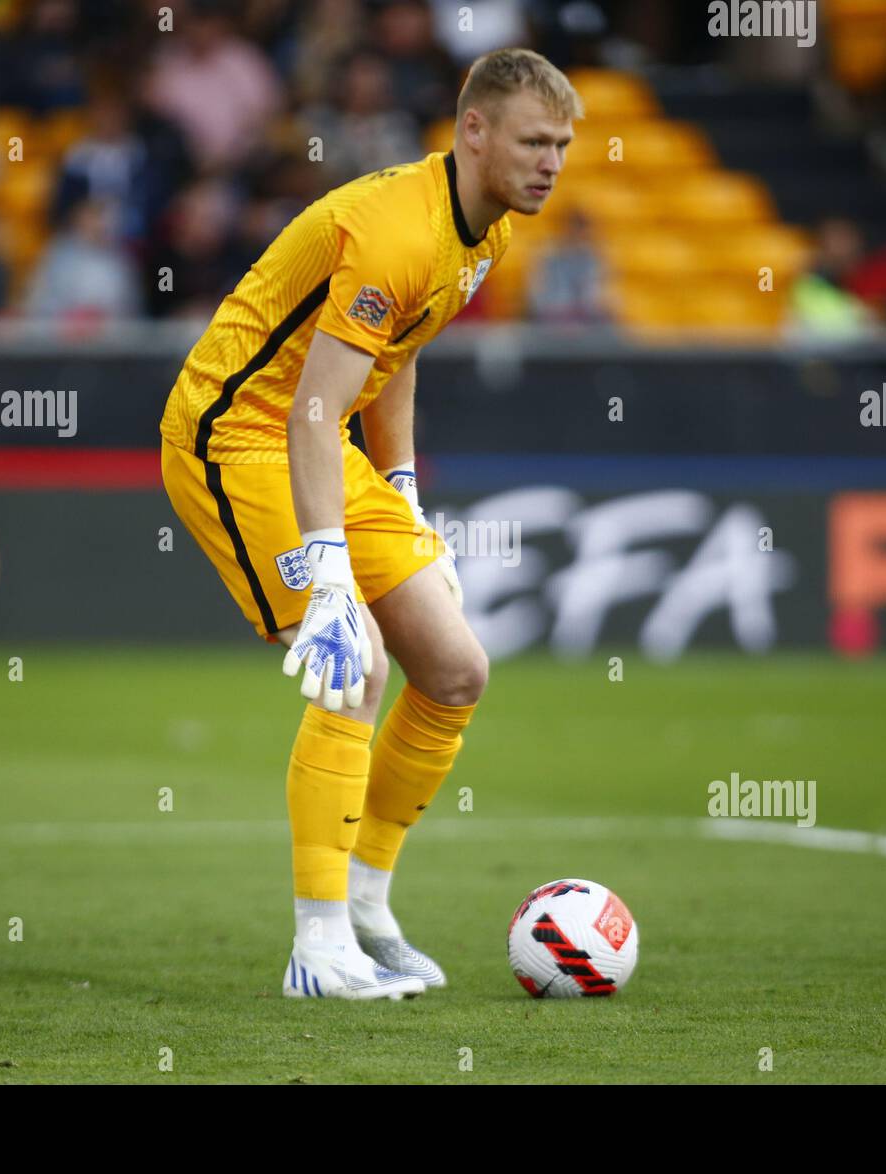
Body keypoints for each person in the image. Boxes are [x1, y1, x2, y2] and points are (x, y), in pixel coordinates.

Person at [159, 47, 581, 999]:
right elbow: (309, 408)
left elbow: (398, 359)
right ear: (473, 132)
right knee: (357, 667)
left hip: (316, 442)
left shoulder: (489, 229)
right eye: (533, 141)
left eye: (561, 144)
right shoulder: (397, 231)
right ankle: (316, 950)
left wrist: (403, 493)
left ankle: (364, 901)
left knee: (455, 668)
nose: (551, 161)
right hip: (234, 434)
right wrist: (333, 576)